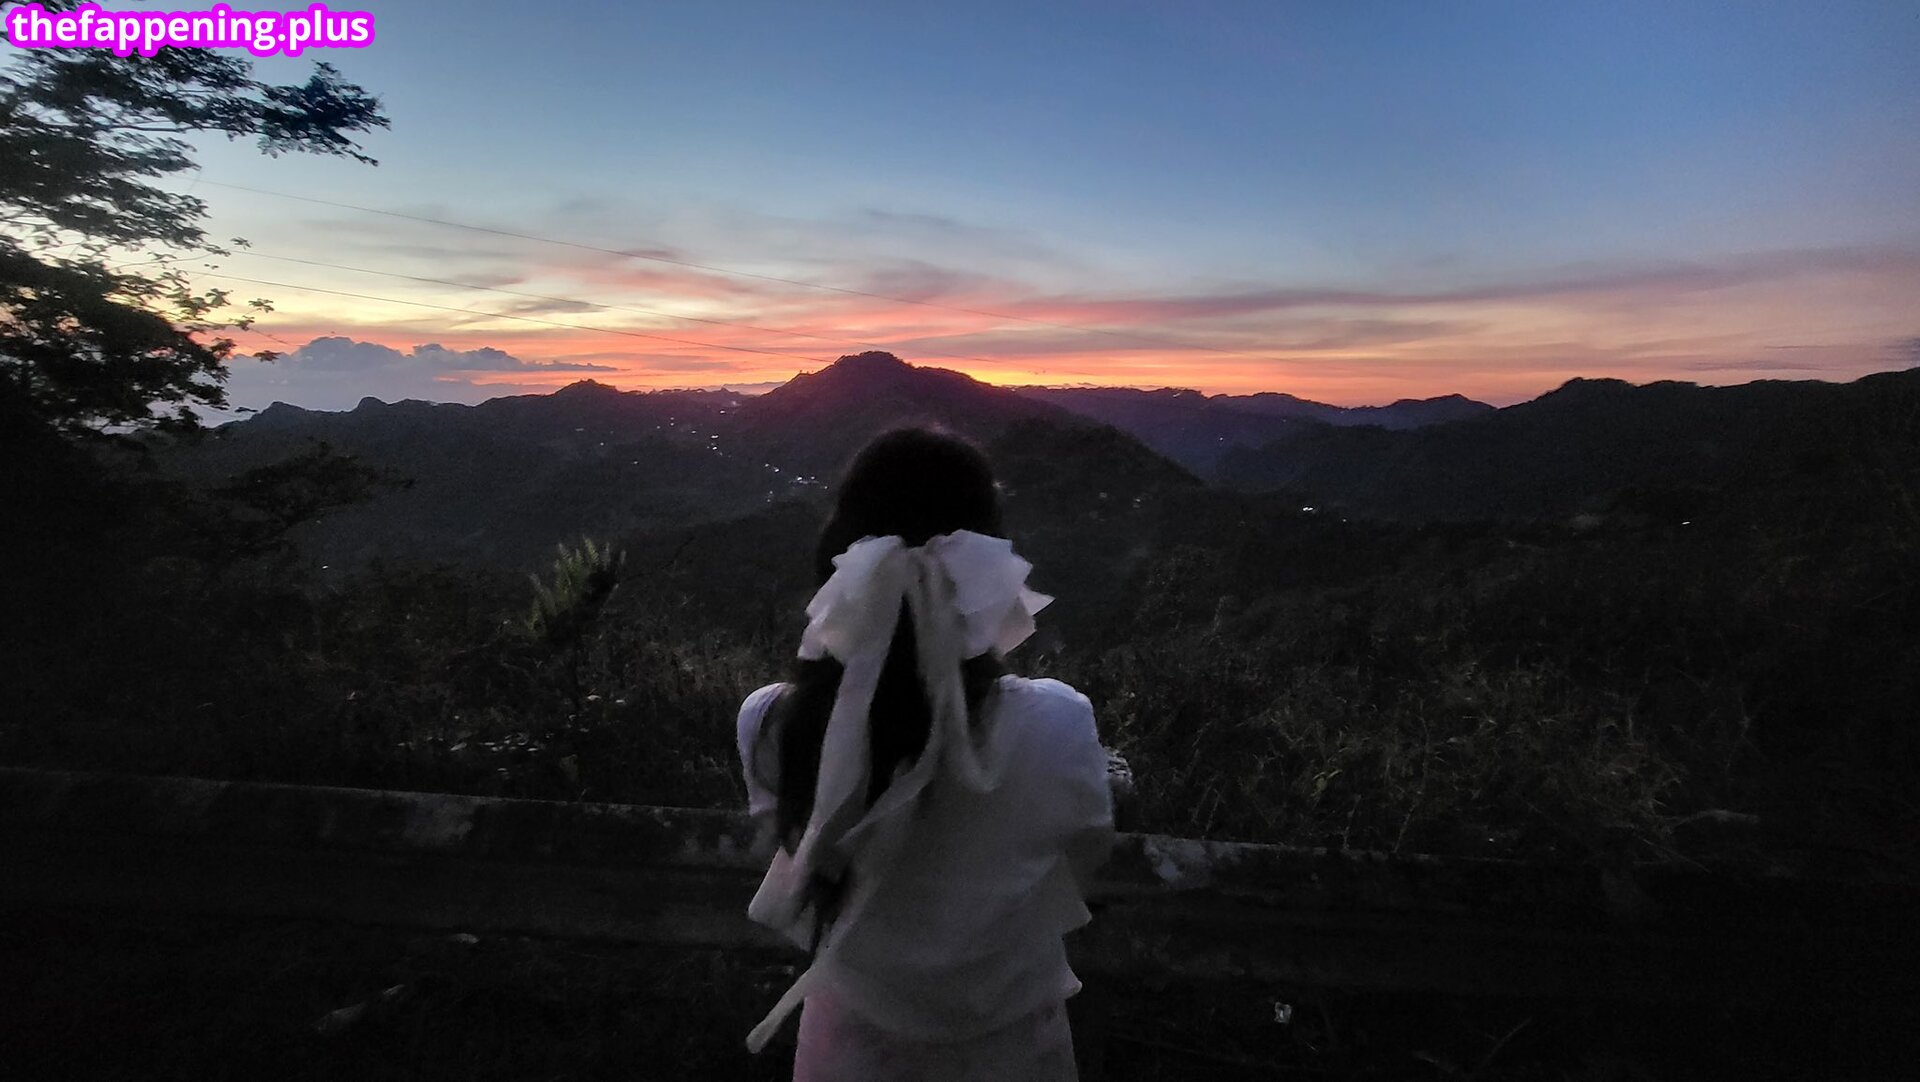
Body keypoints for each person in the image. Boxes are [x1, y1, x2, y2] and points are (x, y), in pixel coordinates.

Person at [736, 428, 1116, 1080]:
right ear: (986, 561)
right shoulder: (1057, 723)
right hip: (1014, 1056)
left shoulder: (772, 723)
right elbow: (1086, 853)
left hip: (846, 1057)